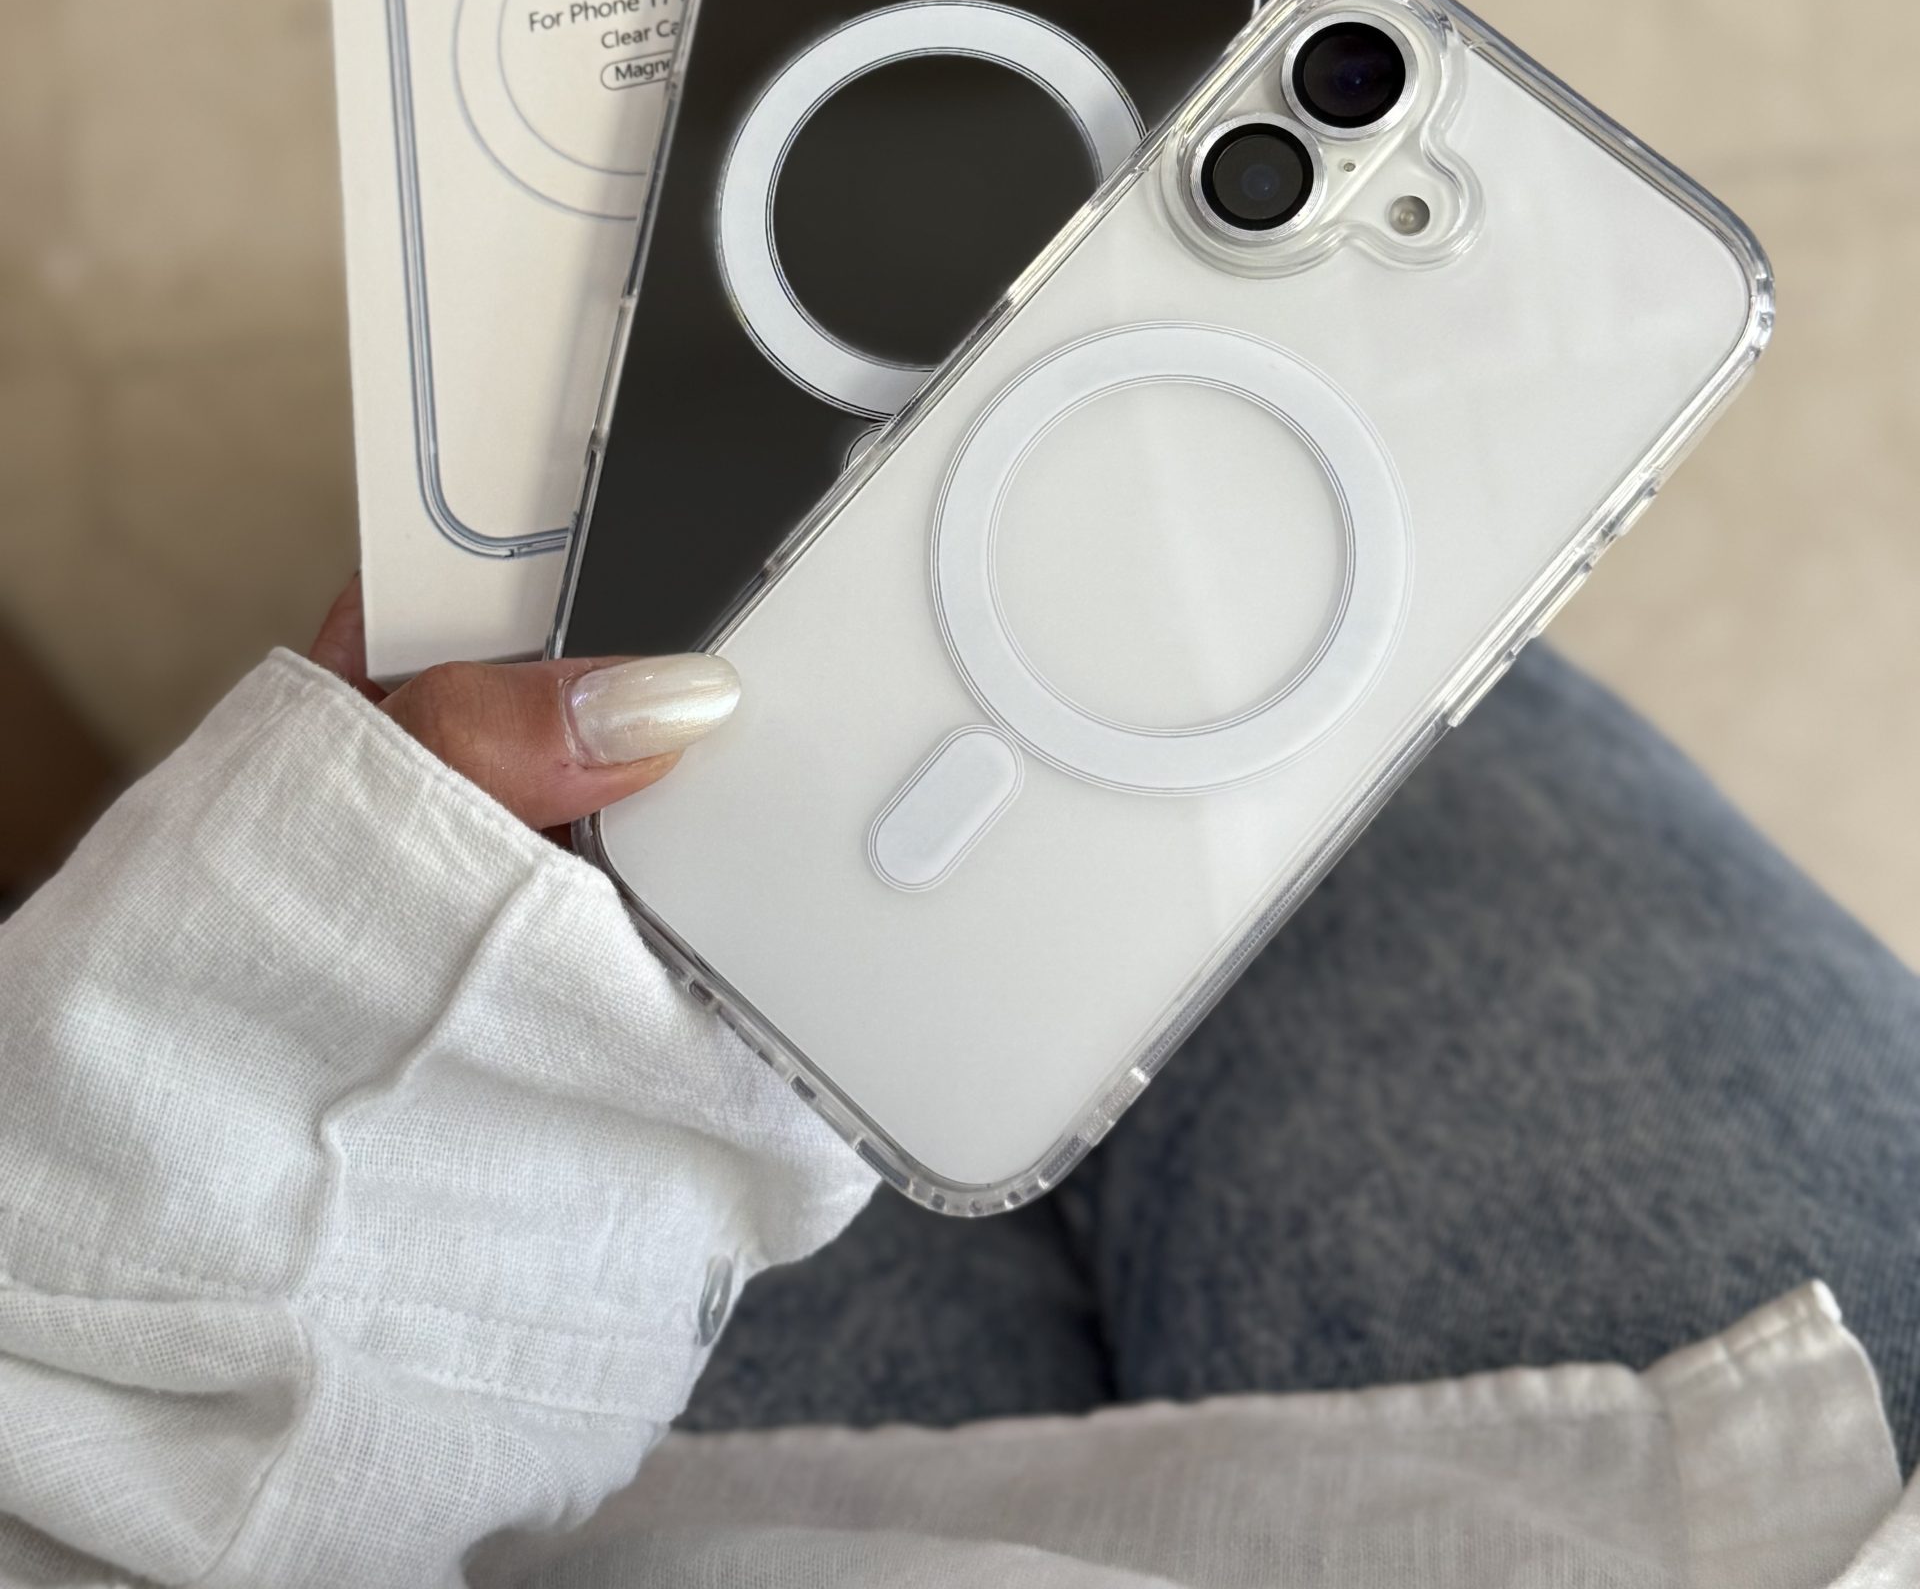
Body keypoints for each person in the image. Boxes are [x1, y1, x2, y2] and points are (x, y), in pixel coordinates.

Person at [0, 577, 1914, 1588]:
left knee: (906, 732)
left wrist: (328, 1001)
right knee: (1325, 695)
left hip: (634, 1514)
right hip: (1828, 1472)